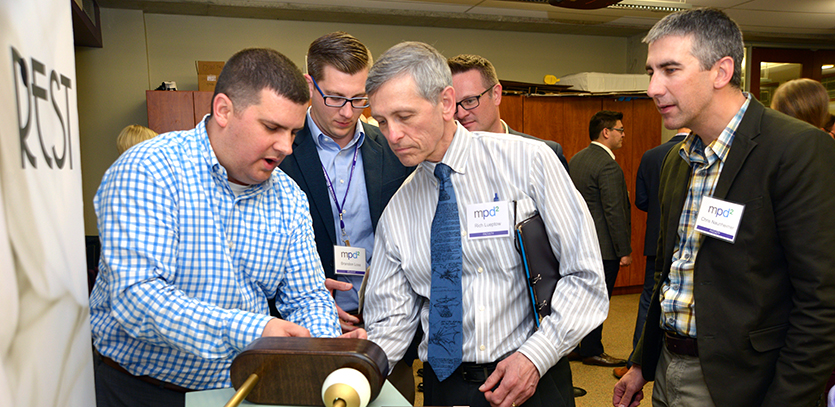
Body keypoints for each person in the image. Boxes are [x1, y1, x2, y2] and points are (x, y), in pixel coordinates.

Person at [90, 48, 364, 407]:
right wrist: (256, 332)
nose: (285, 147)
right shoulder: (149, 170)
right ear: (223, 110)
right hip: (142, 389)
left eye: (293, 132)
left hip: (240, 389)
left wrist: (323, 346)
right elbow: (138, 299)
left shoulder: (288, 198)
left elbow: (307, 295)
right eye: (271, 127)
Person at [363, 41, 608, 407]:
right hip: (446, 387)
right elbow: (391, 319)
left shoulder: (529, 163)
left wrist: (535, 357)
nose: (392, 135)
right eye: (382, 121)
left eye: (404, 116)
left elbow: (585, 276)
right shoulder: (398, 209)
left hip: (533, 376)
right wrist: (356, 367)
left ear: (446, 103)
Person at [614, 8, 835, 407]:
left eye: (670, 70)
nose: (653, 87)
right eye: (651, 72)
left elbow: (822, 301)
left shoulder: (796, 150)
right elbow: (670, 273)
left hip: (745, 382)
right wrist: (642, 363)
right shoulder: (677, 159)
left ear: (721, 71)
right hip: (668, 367)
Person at [276, 31, 416, 402]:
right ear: (310, 85)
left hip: (384, 329)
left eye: (359, 99)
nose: (348, 111)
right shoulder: (280, 153)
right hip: (304, 332)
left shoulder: (391, 150)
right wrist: (309, 299)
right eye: (336, 97)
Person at [613, 127, 689, 380]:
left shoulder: (651, 155)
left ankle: (638, 359)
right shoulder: (692, 152)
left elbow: (641, 201)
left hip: (657, 239)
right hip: (687, 241)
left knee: (649, 297)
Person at [567, 110, 632, 368]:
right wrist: (623, 250)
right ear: (606, 132)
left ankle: (577, 345)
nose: (623, 135)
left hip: (579, 243)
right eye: (620, 129)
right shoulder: (608, 165)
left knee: (581, 298)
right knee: (598, 299)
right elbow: (614, 211)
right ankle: (592, 350)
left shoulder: (577, 159)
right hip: (604, 248)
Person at [447, 54, 569, 172]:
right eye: (453, 104)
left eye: (470, 101)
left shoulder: (541, 155)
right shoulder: (443, 159)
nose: (461, 114)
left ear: (496, 95)